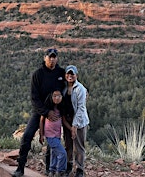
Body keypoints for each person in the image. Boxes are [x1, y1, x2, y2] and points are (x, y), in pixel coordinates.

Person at [12, 48, 66, 177]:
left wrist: (83, 90)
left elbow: (70, 83)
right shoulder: (38, 74)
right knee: (27, 136)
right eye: (49, 57)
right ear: (45, 58)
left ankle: (50, 169)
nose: (52, 59)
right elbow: (34, 98)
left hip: (57, 111)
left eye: (54, 57)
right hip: (40, 111)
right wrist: (46, 112)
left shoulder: (61, 73)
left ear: (57, 58)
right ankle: (20, 168)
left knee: (52, 139)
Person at [64, 65, 89, 177]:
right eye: (68, 74)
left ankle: (79, 170)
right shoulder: (63, 88)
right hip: (67, 121)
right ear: (65, 75)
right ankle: (68, 166)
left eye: (72, 74)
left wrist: (74, 125)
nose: (70, 76)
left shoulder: (80, 89)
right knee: (68, 145)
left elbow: (81, 108)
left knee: (79, 146)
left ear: (76, 75)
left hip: (79, 121)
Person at [39, 90, 71, 177]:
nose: (57, 98)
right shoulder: (47, 109)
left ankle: (52, 170)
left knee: (54, 153)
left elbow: (64, 121)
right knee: (62, 153)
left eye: (59, 96)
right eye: (54, 96)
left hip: (57, 135)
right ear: (51, 97)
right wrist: (41, 134)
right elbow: (41, 121)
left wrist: (71, 129)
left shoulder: (60, 109)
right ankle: (60, 171)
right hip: (50, 135)